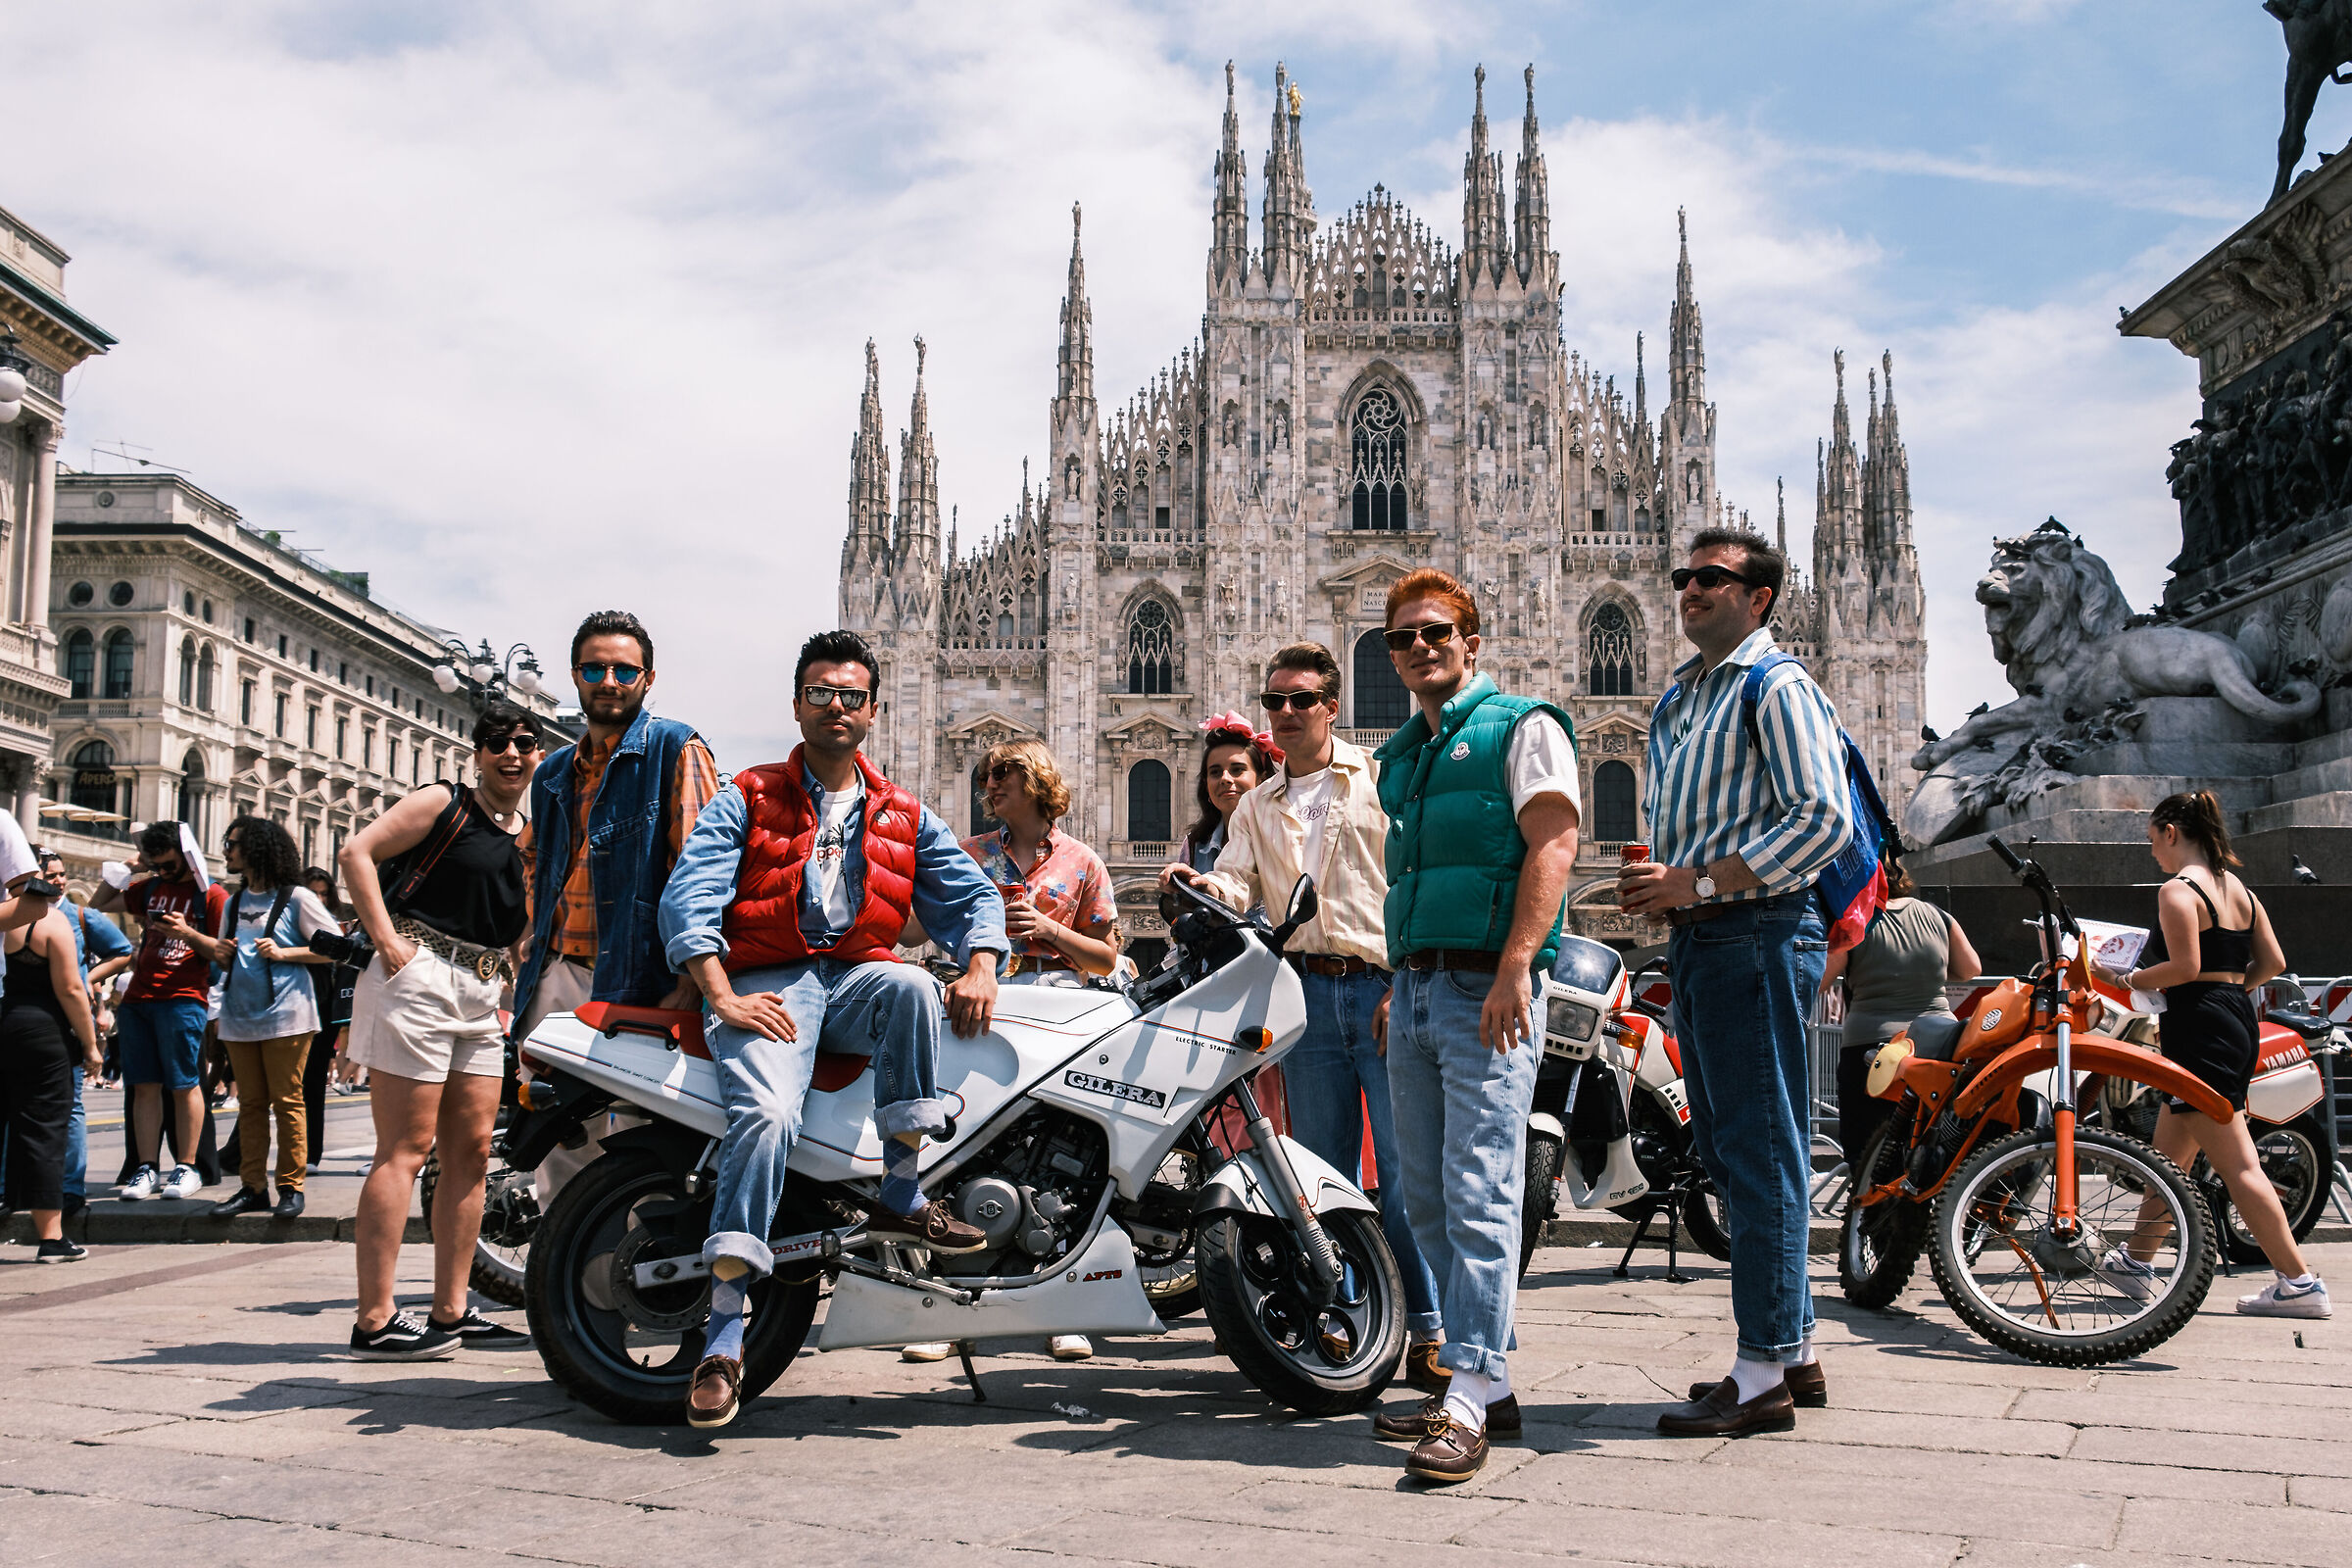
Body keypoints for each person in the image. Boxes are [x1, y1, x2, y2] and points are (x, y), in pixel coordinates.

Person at [660, 629, 1005, 1429]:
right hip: (769, 982)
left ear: (872, 710)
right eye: (821, 693)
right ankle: (723, 1332)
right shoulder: (750, 794)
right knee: (766, 1115)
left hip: (852, 976)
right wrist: (721, 994)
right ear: (798, 705)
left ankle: (900, 1190)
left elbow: (972, 895)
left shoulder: (902, 812)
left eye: (851, 696)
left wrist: (983, 962)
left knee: (912, 985)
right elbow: (690, 893)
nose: (836, 707)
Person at [1621, 527, 1854, 1439]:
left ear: (1759, 598)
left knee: (1759, 1154)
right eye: (1685, 576)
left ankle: (1759, 1377)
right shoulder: (1685, 695)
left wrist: (1702, 882)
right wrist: (1670, 885)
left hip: (1755, 931)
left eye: (1713, 578)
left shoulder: (1776, 685)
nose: (1691, 589)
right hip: (1704, 939)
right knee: (1726, 1148)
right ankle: (1794, 1347)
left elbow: (1822, 818)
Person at [1166, 644, 1448, 1399]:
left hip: (1382, 988)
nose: (1286, 713)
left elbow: (1415, 877)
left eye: (1300, 699)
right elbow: (1236, 882)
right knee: (1323, 1178)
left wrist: (1407, 977)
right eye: (1275, 701)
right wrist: (1203, 886)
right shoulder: (1257, 805)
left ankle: (1428, 1330)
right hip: (1306, 996)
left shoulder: (1381, 777)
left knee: (1406, 1173)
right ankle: (1351, 1322)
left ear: (1331, 705)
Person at [1366, 573, 1582, 1484]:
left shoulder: (1521, 725)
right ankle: (1487, 1383)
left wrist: (1516, 967)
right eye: (1403, 637)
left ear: (1472, 641)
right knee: (1423, 1196)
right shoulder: (1405, 753)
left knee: (1481, 1187)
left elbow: (1554, 843)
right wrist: (1399, 977)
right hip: (1418, 987)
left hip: (1486, 989)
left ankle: (1465, 1395)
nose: (1420, 647)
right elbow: (1412, 878)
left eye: (1437, 632)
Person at [904, 737, 1118, 1367]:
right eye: (985, 776)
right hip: (978, 1008)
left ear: (1037, 781)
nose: (989, 786)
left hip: (1057, 1016)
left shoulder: (1082, 863)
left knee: (1057, 1157)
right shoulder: (967, 854)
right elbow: (913, 926)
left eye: (1003, 774)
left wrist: (1049, 930)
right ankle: (950, 1308)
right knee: (961, 1151)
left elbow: (1107, 958)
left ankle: (1058, 1309)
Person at [339, 701, 542, 1359]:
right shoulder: (443, 802)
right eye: (497, 742)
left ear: (538, 755)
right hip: (419, 973)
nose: (511, 753)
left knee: (474, 1151)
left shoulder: (530, 835)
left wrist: (520, 989)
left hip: (481, 990)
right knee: (406, 1146)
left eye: (524, 743)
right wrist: (386, 940)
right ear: (477, 753)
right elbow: (357, 852)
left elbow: (517, 929)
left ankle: (451, 1310)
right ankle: (374, 1319)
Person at [2105, 791, 2328, 1317]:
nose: (2152, 852)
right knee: (2169, 1159)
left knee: (2239, 1165)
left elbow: (2183, 966)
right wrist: (2228, 992)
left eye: (2152, 840)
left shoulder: (2177, 890)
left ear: (2171, 832)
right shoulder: (2240, 890)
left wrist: (2126, 980)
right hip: (2234, 1016)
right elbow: (2273, 962)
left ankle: (2299, 1283)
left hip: (2198, 1026)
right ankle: (2136, 1263)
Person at [512, 610, 716, 1046]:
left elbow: (703, 875)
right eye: (594, 669)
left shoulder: (675, 749)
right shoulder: (552, 773)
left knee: (621, 1098)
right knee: (540, 1092)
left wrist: (689, 983)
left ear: (648, 678)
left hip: (638, 987)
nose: (608, 682)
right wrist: (539, 928)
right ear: (575, 675)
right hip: (553, 975)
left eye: (624, 670)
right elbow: (530, 854)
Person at [172, 818, 340, 1221]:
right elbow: (224, 956)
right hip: (240, 1015)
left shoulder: (296, 898)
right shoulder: (235, 901)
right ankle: (252, 1188)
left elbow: (335, 946)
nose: (226, 850)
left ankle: (291, 1187)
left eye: (233, 843)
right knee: (250, 1105)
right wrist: (210, 947)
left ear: (258, 848)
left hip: (288, 1014)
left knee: (287, 1101)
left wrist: (285, 953)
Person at [94, 820, 229, 1202]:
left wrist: (187, 934)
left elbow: (224, 953)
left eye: (169, 864)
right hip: (139, 1000)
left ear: (187, 855)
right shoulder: (152, 887)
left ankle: (187, 1166)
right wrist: (128, 869)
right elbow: (99, 904)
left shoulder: (212, 895)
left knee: (184, 1084)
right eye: (156, 865)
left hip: (184, 998)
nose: (163, 872)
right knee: (143, 1086)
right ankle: (147, 1167)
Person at [1820, 862, 1982, 1165]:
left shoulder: (1857, 917)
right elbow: (1971, 968)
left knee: (1866, 1146)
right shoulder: (1938, 916)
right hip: (1938, 1044)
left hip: (1870, 1046)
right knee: (1933, 1140)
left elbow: (1821, 980)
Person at [0, 899, 101, 1261]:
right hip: (41, 1031)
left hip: (6, 1021)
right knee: (44, 1130)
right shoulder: (49, 919)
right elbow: (71, 988)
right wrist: (90, 1045)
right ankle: (52, 1238)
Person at [33, 848, 130, 1218]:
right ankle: (12, 1186)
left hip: (68, 1018)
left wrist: (89, 979)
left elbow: (122, 950)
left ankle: (71, 1187)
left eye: (61, 874)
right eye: (51, 875)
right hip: (26, 1016)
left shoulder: (78, 915)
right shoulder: (18, 913)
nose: (59, 881)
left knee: (70, 1104)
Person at [1176, 711, 1282, 889]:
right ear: (1206, 784)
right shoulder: (1194, 846)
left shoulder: (1282, 836)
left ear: (1262, 780)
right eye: (1215, 772)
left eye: (1237, 769)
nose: (1225, 778)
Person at [300, 866, 354, 1167]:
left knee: (313, 1079)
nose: (319, 899)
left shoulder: (336, 924)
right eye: (313, 893)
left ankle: (311, 1153)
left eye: (323, 894)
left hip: (325, 1008)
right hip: (293, 1006)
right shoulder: (291, 918)